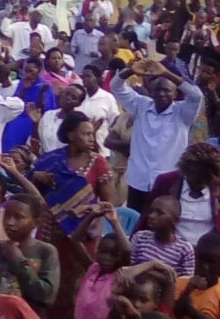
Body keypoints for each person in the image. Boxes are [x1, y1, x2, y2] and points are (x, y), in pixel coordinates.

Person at [32, 111, 114, 319]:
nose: (91, 138)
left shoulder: (98, 164)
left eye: (92, 134)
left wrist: (84, 212)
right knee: (52, 290)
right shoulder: (51, 161)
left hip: (81, 240)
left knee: (77, 294)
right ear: (70, 135)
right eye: (85, 133)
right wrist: (36, 177)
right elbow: (32, 193)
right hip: (52, 236)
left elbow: (107, 204)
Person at [111, 59, 203, 212]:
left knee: (164, 221)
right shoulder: (140, 105)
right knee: (136, 221)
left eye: (167, 90)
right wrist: (131, 70)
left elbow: (196, 95)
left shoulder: (183, 113)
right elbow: (116, 86)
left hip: (168, 183)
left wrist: (166, 73)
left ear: (175, 94)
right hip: (138, 181)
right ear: (151, 91)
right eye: (157, 90)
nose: (161, 93)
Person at [0, 194, 59, 319]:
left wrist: (19, 261)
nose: (10, 222)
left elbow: (47, 296)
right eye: (7, 216)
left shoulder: (46, 251)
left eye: (18, 217)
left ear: (35, 222)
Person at [135, 141, 220, 244]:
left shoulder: (216, 185)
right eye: (194, 173)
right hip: (170, 248)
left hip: (208, 250)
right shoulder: (166, 182)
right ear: (185, 171)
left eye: (204, 176)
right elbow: (147, 218)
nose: (199, 179)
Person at [173, 231, 220, 319]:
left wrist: (190, 310)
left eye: (212, 262)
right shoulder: (181, 283)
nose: (204, 267)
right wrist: (188, 290)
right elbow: (174, 316)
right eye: (200, 260)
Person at [129, 195, 195, 277]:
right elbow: (129, 271)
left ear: (175, 220)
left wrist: (145, 269)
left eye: (160, 213)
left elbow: (184, 282)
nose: (151, 216)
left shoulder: (184, 249)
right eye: (151, 211)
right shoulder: (140, 237)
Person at [1, 58, 58, 153]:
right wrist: (24, 89)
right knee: (9, 149)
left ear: (39, 70)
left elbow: (48, 108)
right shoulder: (21, 83)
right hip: (17, 120)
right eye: (26, 71)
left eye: (31, 71)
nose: (28, 74)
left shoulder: (45, 86)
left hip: (33, 122)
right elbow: (15, 102)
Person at [29, 83, 85, 154]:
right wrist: (36, 123)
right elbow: (36, 141)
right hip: (44, 157)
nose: (68, 98)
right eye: (67, 93)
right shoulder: (48, 114)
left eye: (73, 97)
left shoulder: (77, 122)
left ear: (79, 104)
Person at [77, 63, 119, 151]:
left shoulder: (107, 98)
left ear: (98, 79)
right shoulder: (79, 96)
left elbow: (114, 123)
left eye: (88, 76)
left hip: (101, 147)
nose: (85, 79)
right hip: (78, 147)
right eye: (83, 77)